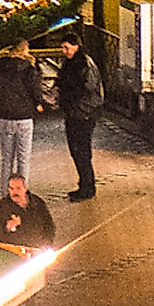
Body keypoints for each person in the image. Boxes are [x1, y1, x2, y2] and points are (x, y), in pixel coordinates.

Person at [0, 175, 55, 306]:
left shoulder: (37, 204)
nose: (14, 192)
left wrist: (46, 246)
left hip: (34, 255)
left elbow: (49, 226)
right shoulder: (1, 207)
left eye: (17, 188)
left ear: (25, 188)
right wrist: (7, 227)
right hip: (12, 256)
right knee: (14, 293)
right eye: (11, 188)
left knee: (31, 291)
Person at [57, 32, 103, 200]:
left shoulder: (84, 64)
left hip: (84, 113)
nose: (64, 51)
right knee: (77, 151)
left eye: (66, 47)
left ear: (76, 46)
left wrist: (69, 95)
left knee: (81, 150)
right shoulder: (71, 63)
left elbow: (87, 87)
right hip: (75, 112)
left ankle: (87, 187)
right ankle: (84, 184)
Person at [0, 41, 42, 181]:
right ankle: (21, 193)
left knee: (6, 160)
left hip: (5, 116)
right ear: (25, 50)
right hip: (24, 117)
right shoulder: (29, 68)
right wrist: (38, 103)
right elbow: (35, 90)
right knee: (23, 160)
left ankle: (5, 194)